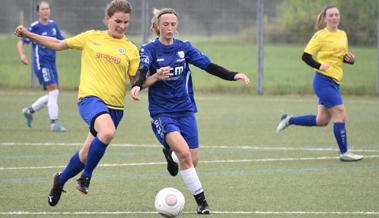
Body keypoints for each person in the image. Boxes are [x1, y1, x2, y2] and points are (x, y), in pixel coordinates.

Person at [15, 0, 139, 206]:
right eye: (118, 21)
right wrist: (28, 34)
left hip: (116, 108)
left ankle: (59, 180)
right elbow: (57, 44)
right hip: (90, 99)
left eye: (126, 22)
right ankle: (85, 178)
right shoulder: (91, 37)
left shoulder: (131, 49)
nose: (122, 26)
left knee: (85, 154)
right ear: (108, 19)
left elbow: (136, 82)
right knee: (107, 132)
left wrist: (155, 77)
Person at [130, 8, 250, 214]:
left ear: (177, 27)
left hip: (185, 110)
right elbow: (143, 68)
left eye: (173, 24)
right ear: (157, 26)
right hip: (162, 112)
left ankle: (169, 154)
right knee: (184, 154)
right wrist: (139, 84)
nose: (169, 28)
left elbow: (208, 65)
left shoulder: (184, 47)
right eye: (165, 24)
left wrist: (233, 75)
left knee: (192, 160)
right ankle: (202, 202)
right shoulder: (149, 49)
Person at [276, 6, 363, 162]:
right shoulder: (320, 36)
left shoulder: (343, 35)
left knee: (321, 121)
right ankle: (344, 152)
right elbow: (305, 56)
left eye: (336, 15)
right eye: (331, 15)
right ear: (325, 18)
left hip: (335, 81)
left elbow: (339, 57)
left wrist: (350, 60)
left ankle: (289, 120)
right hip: (323, 81)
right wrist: (319, 66)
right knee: (341, 114)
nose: (334, 17)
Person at [17, 0, 66, 132]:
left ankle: (29, 110)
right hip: (41, 63)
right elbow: (21, 42)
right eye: (43, 9)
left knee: (53, 93)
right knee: (53, 91)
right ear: (38, 12)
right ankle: (54, 123)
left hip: (52, 63)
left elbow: (62, 41)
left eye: (47, 9)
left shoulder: (53, 25)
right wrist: (22, 56)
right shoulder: (35, 27)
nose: (45, 11)